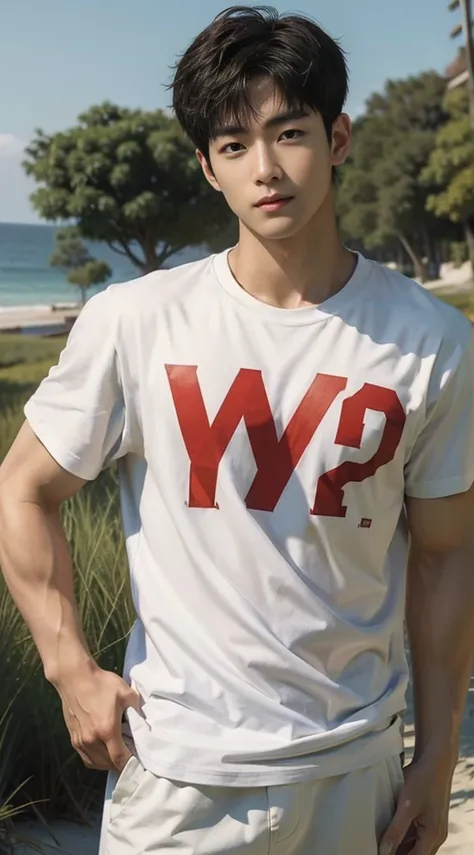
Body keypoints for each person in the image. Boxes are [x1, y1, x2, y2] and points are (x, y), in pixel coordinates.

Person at [0, 6, 473, 854]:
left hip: (354, 771)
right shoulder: (134, 321)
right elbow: (24, 485)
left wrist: (436, 760)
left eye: (289, 132)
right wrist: (70, 668)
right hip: (178, 773)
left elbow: (444, 553)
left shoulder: (432, 341)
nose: (266, 168)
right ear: (208, 168)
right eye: (232, 145)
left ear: (337, 138)